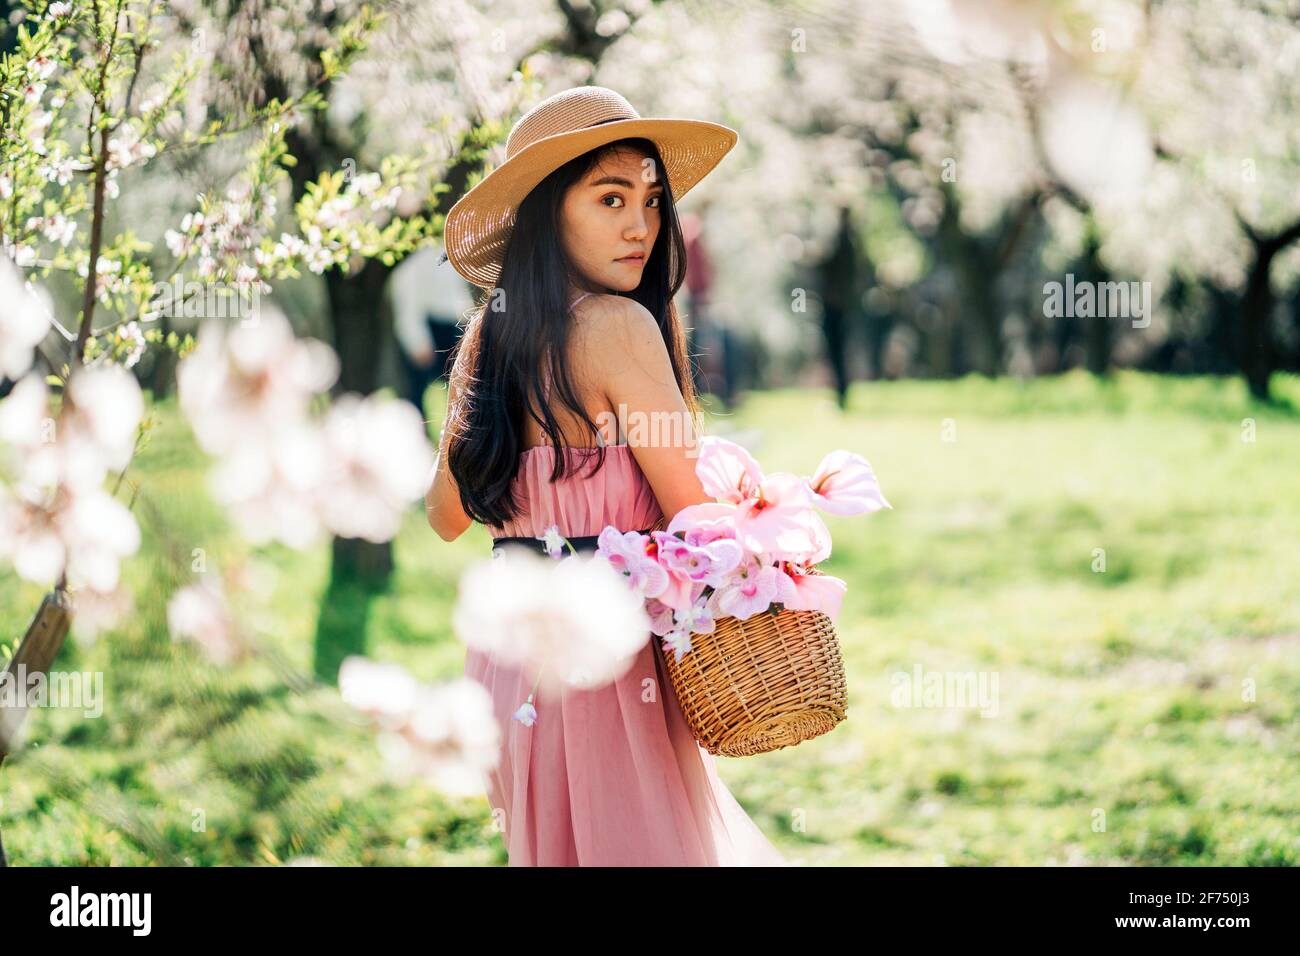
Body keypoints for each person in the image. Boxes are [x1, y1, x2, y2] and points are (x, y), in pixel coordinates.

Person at [425, 85, 787, 867]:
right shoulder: (620, 327)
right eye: (611, 198)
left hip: (508, 663)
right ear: (548, 212)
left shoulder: (488, 339)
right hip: (604, 659)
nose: (641, 226)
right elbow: (693, 510)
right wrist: (773, 539)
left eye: (652, 200)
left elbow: (445, 514)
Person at [390, 242, 474, 416]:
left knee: (461, 391)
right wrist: (417, 342)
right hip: (432, 329)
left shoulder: (452, 257)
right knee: (418, 395)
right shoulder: (411, 268)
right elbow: (409, 307)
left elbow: (458, 294)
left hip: (454, 328)